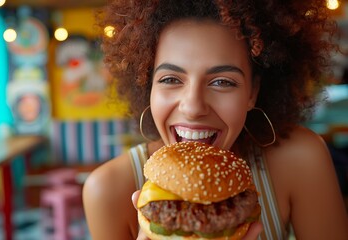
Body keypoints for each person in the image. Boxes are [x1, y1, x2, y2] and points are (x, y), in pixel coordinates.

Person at [82, 0, 348, 239]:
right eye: (171, 79)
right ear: (147, 86)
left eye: (222, 82)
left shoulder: (301, 159)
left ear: (252, 93)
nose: (193, 107)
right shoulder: (107, 191)